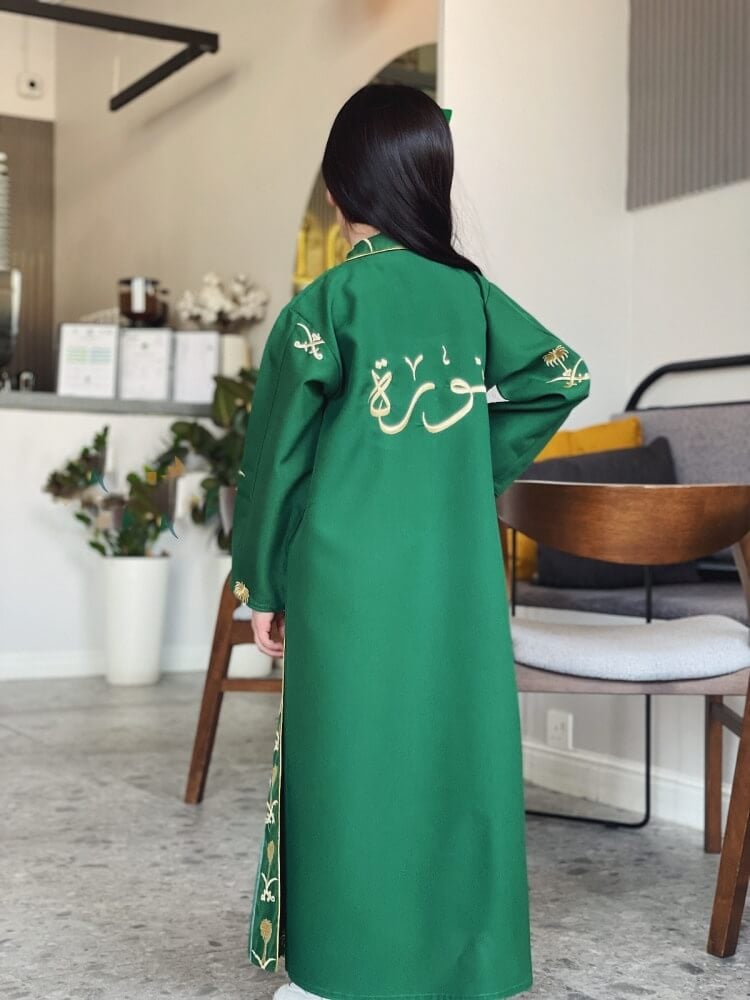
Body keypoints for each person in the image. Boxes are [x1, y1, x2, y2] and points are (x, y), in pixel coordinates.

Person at [230, 83, 590, 1000]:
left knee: (347, 758)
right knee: (451, 751)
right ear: (431, 182)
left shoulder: (326, 305)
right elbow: (563, 376)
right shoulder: (471, 298)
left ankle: (338, 973)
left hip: (343, 576)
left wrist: (262, 585)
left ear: (338, 190)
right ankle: (465, 965)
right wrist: (465, 468)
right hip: (453, 574)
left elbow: (276, 460)